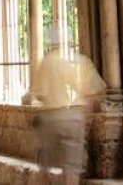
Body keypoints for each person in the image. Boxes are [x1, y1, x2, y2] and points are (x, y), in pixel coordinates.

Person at [30, 32, 105, 185]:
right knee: (71, 169)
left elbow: (40, 95)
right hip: (73, 118)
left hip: (51, 118)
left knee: (45, 167)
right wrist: (85, 115)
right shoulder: (80, 60)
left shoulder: (47, 62)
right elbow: (96, 91)